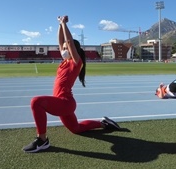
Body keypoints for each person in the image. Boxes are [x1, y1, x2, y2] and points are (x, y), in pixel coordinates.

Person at [23, 15, 120, 153]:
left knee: (36, 102)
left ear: (72, 49)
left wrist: (64, 24)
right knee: (76, 129)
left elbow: (68, 40)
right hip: (63, 104)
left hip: (65, 103)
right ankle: (104, 123)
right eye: (62, 48)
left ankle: (42, 140)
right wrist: (59, 25)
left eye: (65, 48)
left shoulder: (75, 63)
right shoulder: (64, 62)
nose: (62, 50)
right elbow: (61, 40)